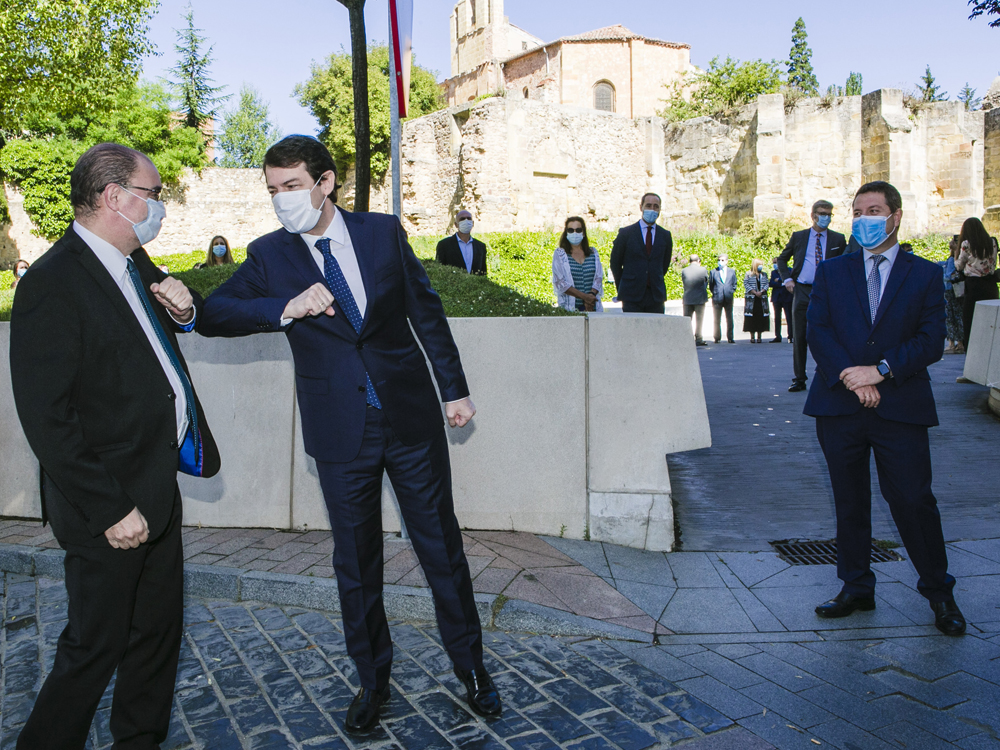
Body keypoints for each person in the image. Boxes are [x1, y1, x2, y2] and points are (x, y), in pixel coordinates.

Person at [199, 135, 501, 732]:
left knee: (441, 547)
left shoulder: (382, 233)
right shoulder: (268, 257)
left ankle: (472, 671)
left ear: (325, 181)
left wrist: (454, 389)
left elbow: (426, 312)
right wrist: (286, 305)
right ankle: (372, 682)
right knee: (356, 564)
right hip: (340, 433)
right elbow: (213, 315)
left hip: (410, 421)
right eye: (272, 190)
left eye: (291, 186)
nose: (281, 200)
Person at [8, 142, 221, 748]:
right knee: (94, 647)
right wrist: (111, 509)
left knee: (156, 638)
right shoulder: (52, 283)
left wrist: (186, 308)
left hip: (157, 486)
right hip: (106, 504)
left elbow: (172, 320)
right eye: (152, 195)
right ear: (113, 198)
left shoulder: (136, 263)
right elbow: (47, 419)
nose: (160, 207)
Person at [805, 180, 965, 636]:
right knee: (849, 501)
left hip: (901, 405)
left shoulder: (923, 274)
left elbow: (931, 340)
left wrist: (881, 371)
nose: (864, 219)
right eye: (857, 211)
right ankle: (856, 587)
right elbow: (818, 330)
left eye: (873, 210)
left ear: (895, 217)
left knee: (914, 501)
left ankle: (939, 592)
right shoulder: (834, 271)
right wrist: (851, 377)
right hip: (840, 405)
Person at [778, 200, 848, 392]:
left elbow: (847, 264)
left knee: (830, 334)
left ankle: (829, 373)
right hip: (802, 290)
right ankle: (799, 378)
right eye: (822, 213)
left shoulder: (838, 239)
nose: (826, 217)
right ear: (813, 215)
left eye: (829, 214)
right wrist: (787, 280)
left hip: (828, 292)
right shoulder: (799, 237)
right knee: (799, 335)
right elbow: (782, 259)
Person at [609, 193, 673, 313]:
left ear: (660, 209)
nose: (652, 210)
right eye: (648, 205)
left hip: (656, 296)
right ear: (641, 207)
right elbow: (615, 263)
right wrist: (624, 285)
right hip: (631, 295)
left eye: (656, 206)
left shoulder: (665, 235)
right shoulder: (626, 233)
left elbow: (664, 265)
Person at [955, 216, 998, 357]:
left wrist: (955, 254)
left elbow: (959, 266)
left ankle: (972, 356)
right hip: (990, 284)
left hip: (973, 286)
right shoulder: (992, 242)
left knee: (971, 322)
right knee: (990, 321)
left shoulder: (966, 244)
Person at [552, 216, 603, 312]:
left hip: (592, 307)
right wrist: (585, 297)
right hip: (570, 310)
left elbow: (599, 277)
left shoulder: (593, 252)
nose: (574, 233)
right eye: (571, 230)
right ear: (566, 232)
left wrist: (591, 296)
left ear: (583, 232)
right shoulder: (560, 254)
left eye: (578, 230)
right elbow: (560, 282)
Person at [435, 209, 487, 274]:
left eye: (468, 218)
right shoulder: (444, 245)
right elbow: (440, 270)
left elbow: (483, 272)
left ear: (472, 223)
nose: (466, 221)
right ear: (456, 224)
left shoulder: (480, 247)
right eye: (462, 219)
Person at [940, 235, 965, 354]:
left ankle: (952, 343)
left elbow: (949, 275)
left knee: (950, 316)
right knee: (958, 315)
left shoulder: (952, 259)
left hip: (950, 290)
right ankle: (959, 342)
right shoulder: (958, 258)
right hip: (958, 290)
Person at [681, 255, 709, 345]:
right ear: (698, 261)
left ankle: (686, 337)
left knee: (687, 319)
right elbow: (706, 282)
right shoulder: (703, 270)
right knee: (699, 320)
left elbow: (684, 282)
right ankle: (699, 338)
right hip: (700, 298)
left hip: (688, 298)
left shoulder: (684, 271)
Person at [709, 254, 737, 343]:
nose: (720, 262)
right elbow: (711, 285)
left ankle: (730, 337)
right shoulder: (713, 272)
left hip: (728, 297)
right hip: (717, 298)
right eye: (719, 260)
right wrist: (715, 292)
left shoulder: (732, 272)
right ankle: (717, 337)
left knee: (729, 318)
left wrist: (731, 291)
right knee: (717, 319)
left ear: (726, 261)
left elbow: (734, 284)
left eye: (722, 260)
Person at [743, 258, 770, 343]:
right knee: (751, 317)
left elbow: (767, 284)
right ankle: (752, 336)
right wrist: (754, 292)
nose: (761, 267)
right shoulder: (748, 274)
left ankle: (759, 336)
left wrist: (761, 291)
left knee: (761, 316)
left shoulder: (764, 274)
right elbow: (746, 283)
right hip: (752, 299)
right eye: (759, 265)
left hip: (761, 299)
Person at [768, 256, 793, 343]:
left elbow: (790, 282)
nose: (775, 265)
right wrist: (782, 283)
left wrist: (778, 280)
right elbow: (771, 283)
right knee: (777, 317)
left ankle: (791, 335)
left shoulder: (789, 270)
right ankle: (777, 336)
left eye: (776, 263)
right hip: (777, 297)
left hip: (787, 297)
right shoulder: (773, 272)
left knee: (789, 317)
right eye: (773, 263)